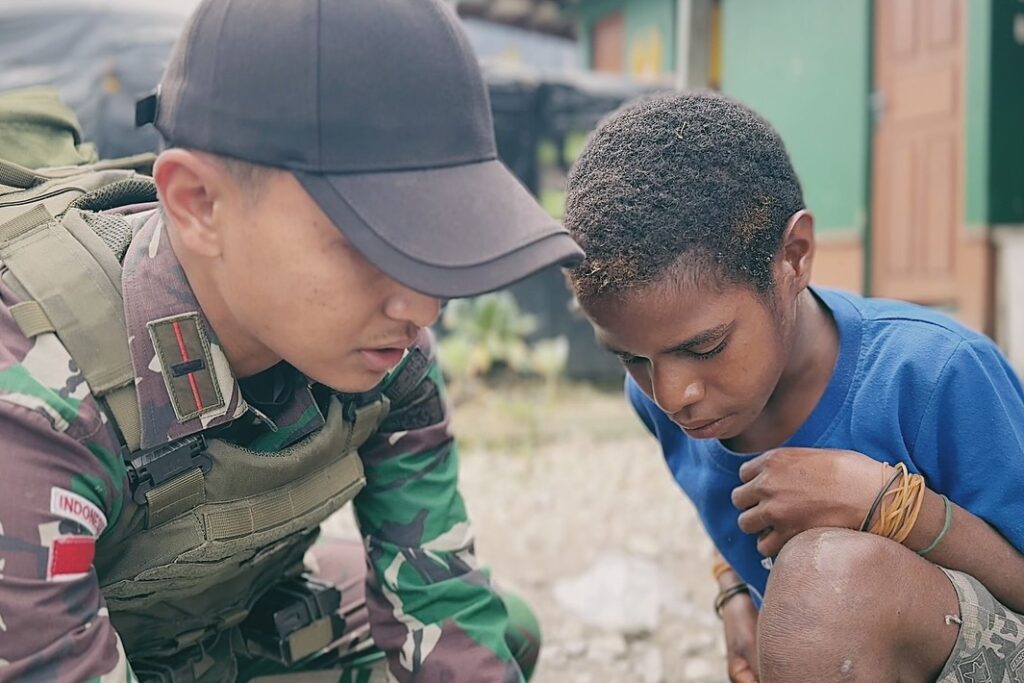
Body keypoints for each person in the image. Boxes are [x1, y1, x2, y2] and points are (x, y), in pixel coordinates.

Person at [0, 0, 584, 680]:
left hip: (206, 629)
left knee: (499, 634)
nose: (421, 306)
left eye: (431, 241)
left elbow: (446, 616)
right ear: (198, 203)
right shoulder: (41, 407)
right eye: (370, 240)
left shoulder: (384, 349)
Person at [562, 92, 1024, 683]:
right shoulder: (665, 399)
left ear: (795, 257)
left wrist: (894, 509)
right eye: (629, 357)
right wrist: (733, 594)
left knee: (827, 586)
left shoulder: (936, 373)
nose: (672, 394)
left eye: (704, 347)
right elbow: (731, 523)